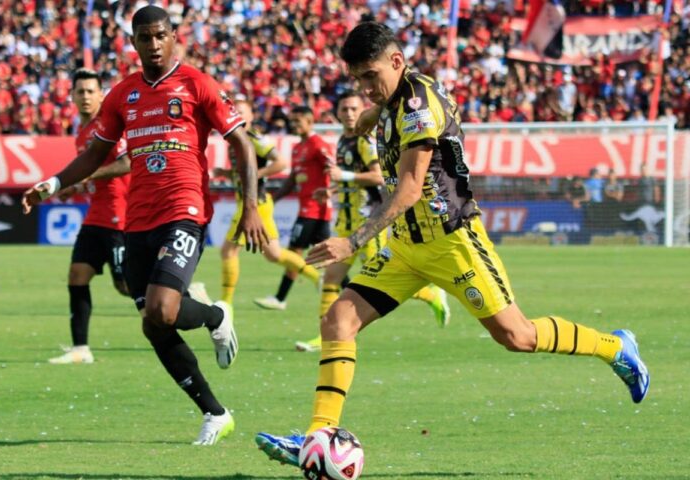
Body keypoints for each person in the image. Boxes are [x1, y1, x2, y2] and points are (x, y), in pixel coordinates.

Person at [254, 22, 650, 467]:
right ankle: (316, 437)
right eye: (358, 80)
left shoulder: (418, 106)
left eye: (370, 77)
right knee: (337, 323)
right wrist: (370, 115)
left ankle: (615, 348)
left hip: (452, 242)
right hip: (405, 247)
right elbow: (377, 117)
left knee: (517, 336)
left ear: (397, 61)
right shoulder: (392, 98)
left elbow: (407, 190)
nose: (365, 89)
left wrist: (354, 240)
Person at [23, 5, 267, 446]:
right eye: (144, 38)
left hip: (184, 210)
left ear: (173, 36)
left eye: (160, 36)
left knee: (161, 310)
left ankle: (215, 314)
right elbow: (95, 154)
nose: (153, 45)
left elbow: (242, 144)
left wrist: (250, 206)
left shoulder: (197, 84)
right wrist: (54, 183)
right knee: (153, 325)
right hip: (137, 220)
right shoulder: (122, 95)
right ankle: (215, 412)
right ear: (133, 42)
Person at [294, 90, 450, 353]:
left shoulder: (365, 141)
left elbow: (377, 177)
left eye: (354, 109)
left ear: (362, 110)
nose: (350, 114)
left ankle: (430, 294)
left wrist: (342, 176)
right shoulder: (344, 140)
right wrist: (332, 190)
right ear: (337, 114)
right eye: (344, 109)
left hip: (368, 224)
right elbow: (353, 179)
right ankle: (324, 335)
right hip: (346, 220)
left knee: (383, 281)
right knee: (331, 278)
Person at [46, 69, 131, 365]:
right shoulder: (81, 132)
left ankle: (186, 295)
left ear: (101, 95)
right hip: (96, 215)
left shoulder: (108, 125)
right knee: (77, 275)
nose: (85, 96)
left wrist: (88, 175)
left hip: (120, 216)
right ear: (72, 96)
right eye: (80, 91)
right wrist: (73, 186)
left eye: (90, 91)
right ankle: (80, 349)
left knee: (126, 287)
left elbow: (127, 162)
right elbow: (90, 175)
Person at [212, 99, 317, 306]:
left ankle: (226, 302)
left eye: (243, 111)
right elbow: (242, 171)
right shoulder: (234, 139)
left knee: (229, 251)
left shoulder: (253, 138)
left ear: (251, 116)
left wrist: (256, 174)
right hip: (258, 202)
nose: (238, 115)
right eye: (234, 111)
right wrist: (226, 173)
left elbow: (281, 162)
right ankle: (317, 277)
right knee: (274, 254)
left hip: (253, 205)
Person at [252, 106, 328, 311]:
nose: (293, 125)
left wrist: (330, 190)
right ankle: (347, 289)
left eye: (298, 121)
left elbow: (331, 168)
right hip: (306, 209)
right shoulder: (297, 148)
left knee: (294, 251)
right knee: (327, 256)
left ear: (310, 121)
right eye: (292, 121)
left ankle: (280, 297)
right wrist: (273, 199)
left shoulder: (318, 144)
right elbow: (292, 180)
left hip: (314, 209)